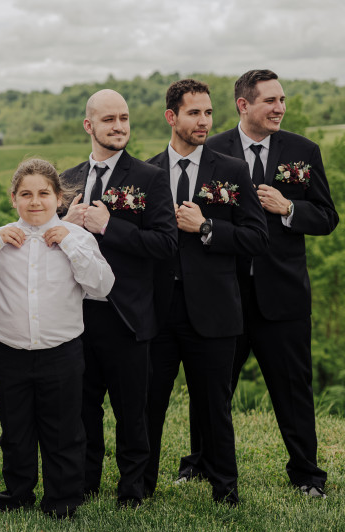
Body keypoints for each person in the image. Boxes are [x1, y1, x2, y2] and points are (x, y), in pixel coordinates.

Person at [180, 70, 339, 498]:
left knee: (293, 389)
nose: (280, 108)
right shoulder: (210, 150)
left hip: (283, 297)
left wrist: (290, 208)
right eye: (270, 101)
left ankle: (307, 474)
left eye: (282, 100)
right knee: (212, 387)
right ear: (244, 105)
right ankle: (197, 463)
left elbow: (327, 217)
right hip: (223, 295)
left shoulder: (303, 151)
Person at [0, 158, 113, 518]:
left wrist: (70, 246)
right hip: (10, 352)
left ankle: (62, 500)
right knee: (15, 430)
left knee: (64, 432)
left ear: (59, 197)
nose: (34, 201)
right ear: (14, 198)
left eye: (44, 193)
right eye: (26, 194)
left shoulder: (79, 238)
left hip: (61, 353)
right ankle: (17, 493)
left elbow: (102, 287)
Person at [144, 79, 268, 505]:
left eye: (208, 113)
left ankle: (225, 490)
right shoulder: (147, 172)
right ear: (171, 117)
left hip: (214, 309)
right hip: (157, 310)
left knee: (215, 406)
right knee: (149, 404)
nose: (204, 121)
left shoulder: (231, 170)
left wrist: (208, 227)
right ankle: (140, 488)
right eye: (194, 113)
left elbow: (258, 236)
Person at [60, 89, 177, 508]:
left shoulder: (149, 178)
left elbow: (166, 244)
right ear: (89, 125)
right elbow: (48, 245)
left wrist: (112, 227)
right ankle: (86, 481)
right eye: (109, 119)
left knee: (133, 411)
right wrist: (66, 223)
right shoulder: (67, 179)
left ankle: (133, 489)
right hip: (76, 315)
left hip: (127, 315)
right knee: (82, 407)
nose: (119, 127)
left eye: (124, 118)